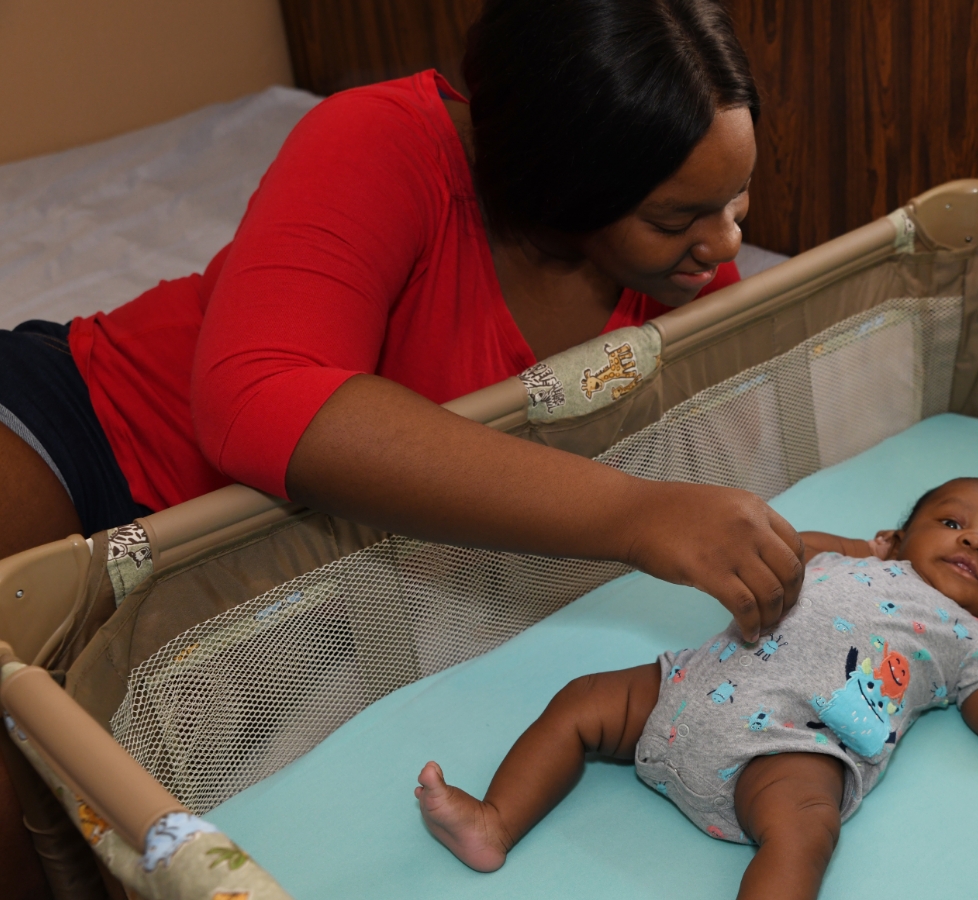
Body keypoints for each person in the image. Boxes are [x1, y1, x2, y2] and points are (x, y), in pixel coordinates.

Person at [0, 0, 806, 890]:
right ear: (561, 180)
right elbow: (254, 398)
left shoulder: (682, 269)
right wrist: (635, 512)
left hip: (260, 575)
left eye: (737, 200)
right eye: (677, 217)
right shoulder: (382, 140)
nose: (727, 243)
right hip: (97, 434)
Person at [415, 478, 978, 900]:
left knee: (806, 830)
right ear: (893, 537)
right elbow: (776, 546)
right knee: (581, 700)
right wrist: (858, 547)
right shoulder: (846, 555)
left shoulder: (974, 638)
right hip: (682, 690)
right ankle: (495, 820)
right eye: (952, 522)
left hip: (791, 751)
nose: (976, 539)